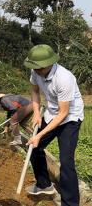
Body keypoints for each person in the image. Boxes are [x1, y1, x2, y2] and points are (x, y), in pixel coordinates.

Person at [24, 44, 84, 206]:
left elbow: (63, 113)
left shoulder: (64, 78)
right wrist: (36, 113)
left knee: (66, 162)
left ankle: (70, 203)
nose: (35, 70)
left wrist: (39, 134)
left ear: (48, 64)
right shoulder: (36, 71)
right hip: (51, 113)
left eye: (38, 68)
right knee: (34, 148)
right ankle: (44, 185)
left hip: (70, 117)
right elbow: (35, 91)